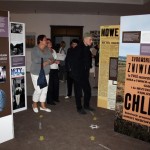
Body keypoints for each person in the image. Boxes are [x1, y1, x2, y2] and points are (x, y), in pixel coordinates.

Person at [68, 33, 94, 114]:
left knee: (88, 90)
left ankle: (86, 105)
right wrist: (75, 75)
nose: (91, 41)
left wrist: (88, 67)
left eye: (91, 39)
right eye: (90, 39)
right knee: (78, 92)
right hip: (77, 75)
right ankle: (79, 108)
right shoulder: (78, 48)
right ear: (85, 39)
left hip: (84, 74)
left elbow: (87, 60)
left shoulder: (87, 48)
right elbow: (73, 62)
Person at [30, 34, 53, 113]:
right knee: (39, 90)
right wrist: (47, 60)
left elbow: (52, 59)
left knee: (44, 90)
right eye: (45, 39)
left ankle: (43, 106)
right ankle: (34, 104)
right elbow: (35, 60)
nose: (46, 41)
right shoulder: (35, 49)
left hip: (46, 72)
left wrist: (47, 62)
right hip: (36, 73)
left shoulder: (47, 49)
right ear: (40, 40)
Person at [46, 38, 60, 105]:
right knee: (50, 86)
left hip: (55, 69)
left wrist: (57, 61)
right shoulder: (45, 51)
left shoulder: (53, 50)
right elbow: (48, 61)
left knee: (56, 84)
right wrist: (55, 61)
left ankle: (55, 98)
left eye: (50, 42)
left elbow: (55, 58)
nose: (50, 43)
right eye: (48, 42)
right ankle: (49, 100)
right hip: (49, 69)